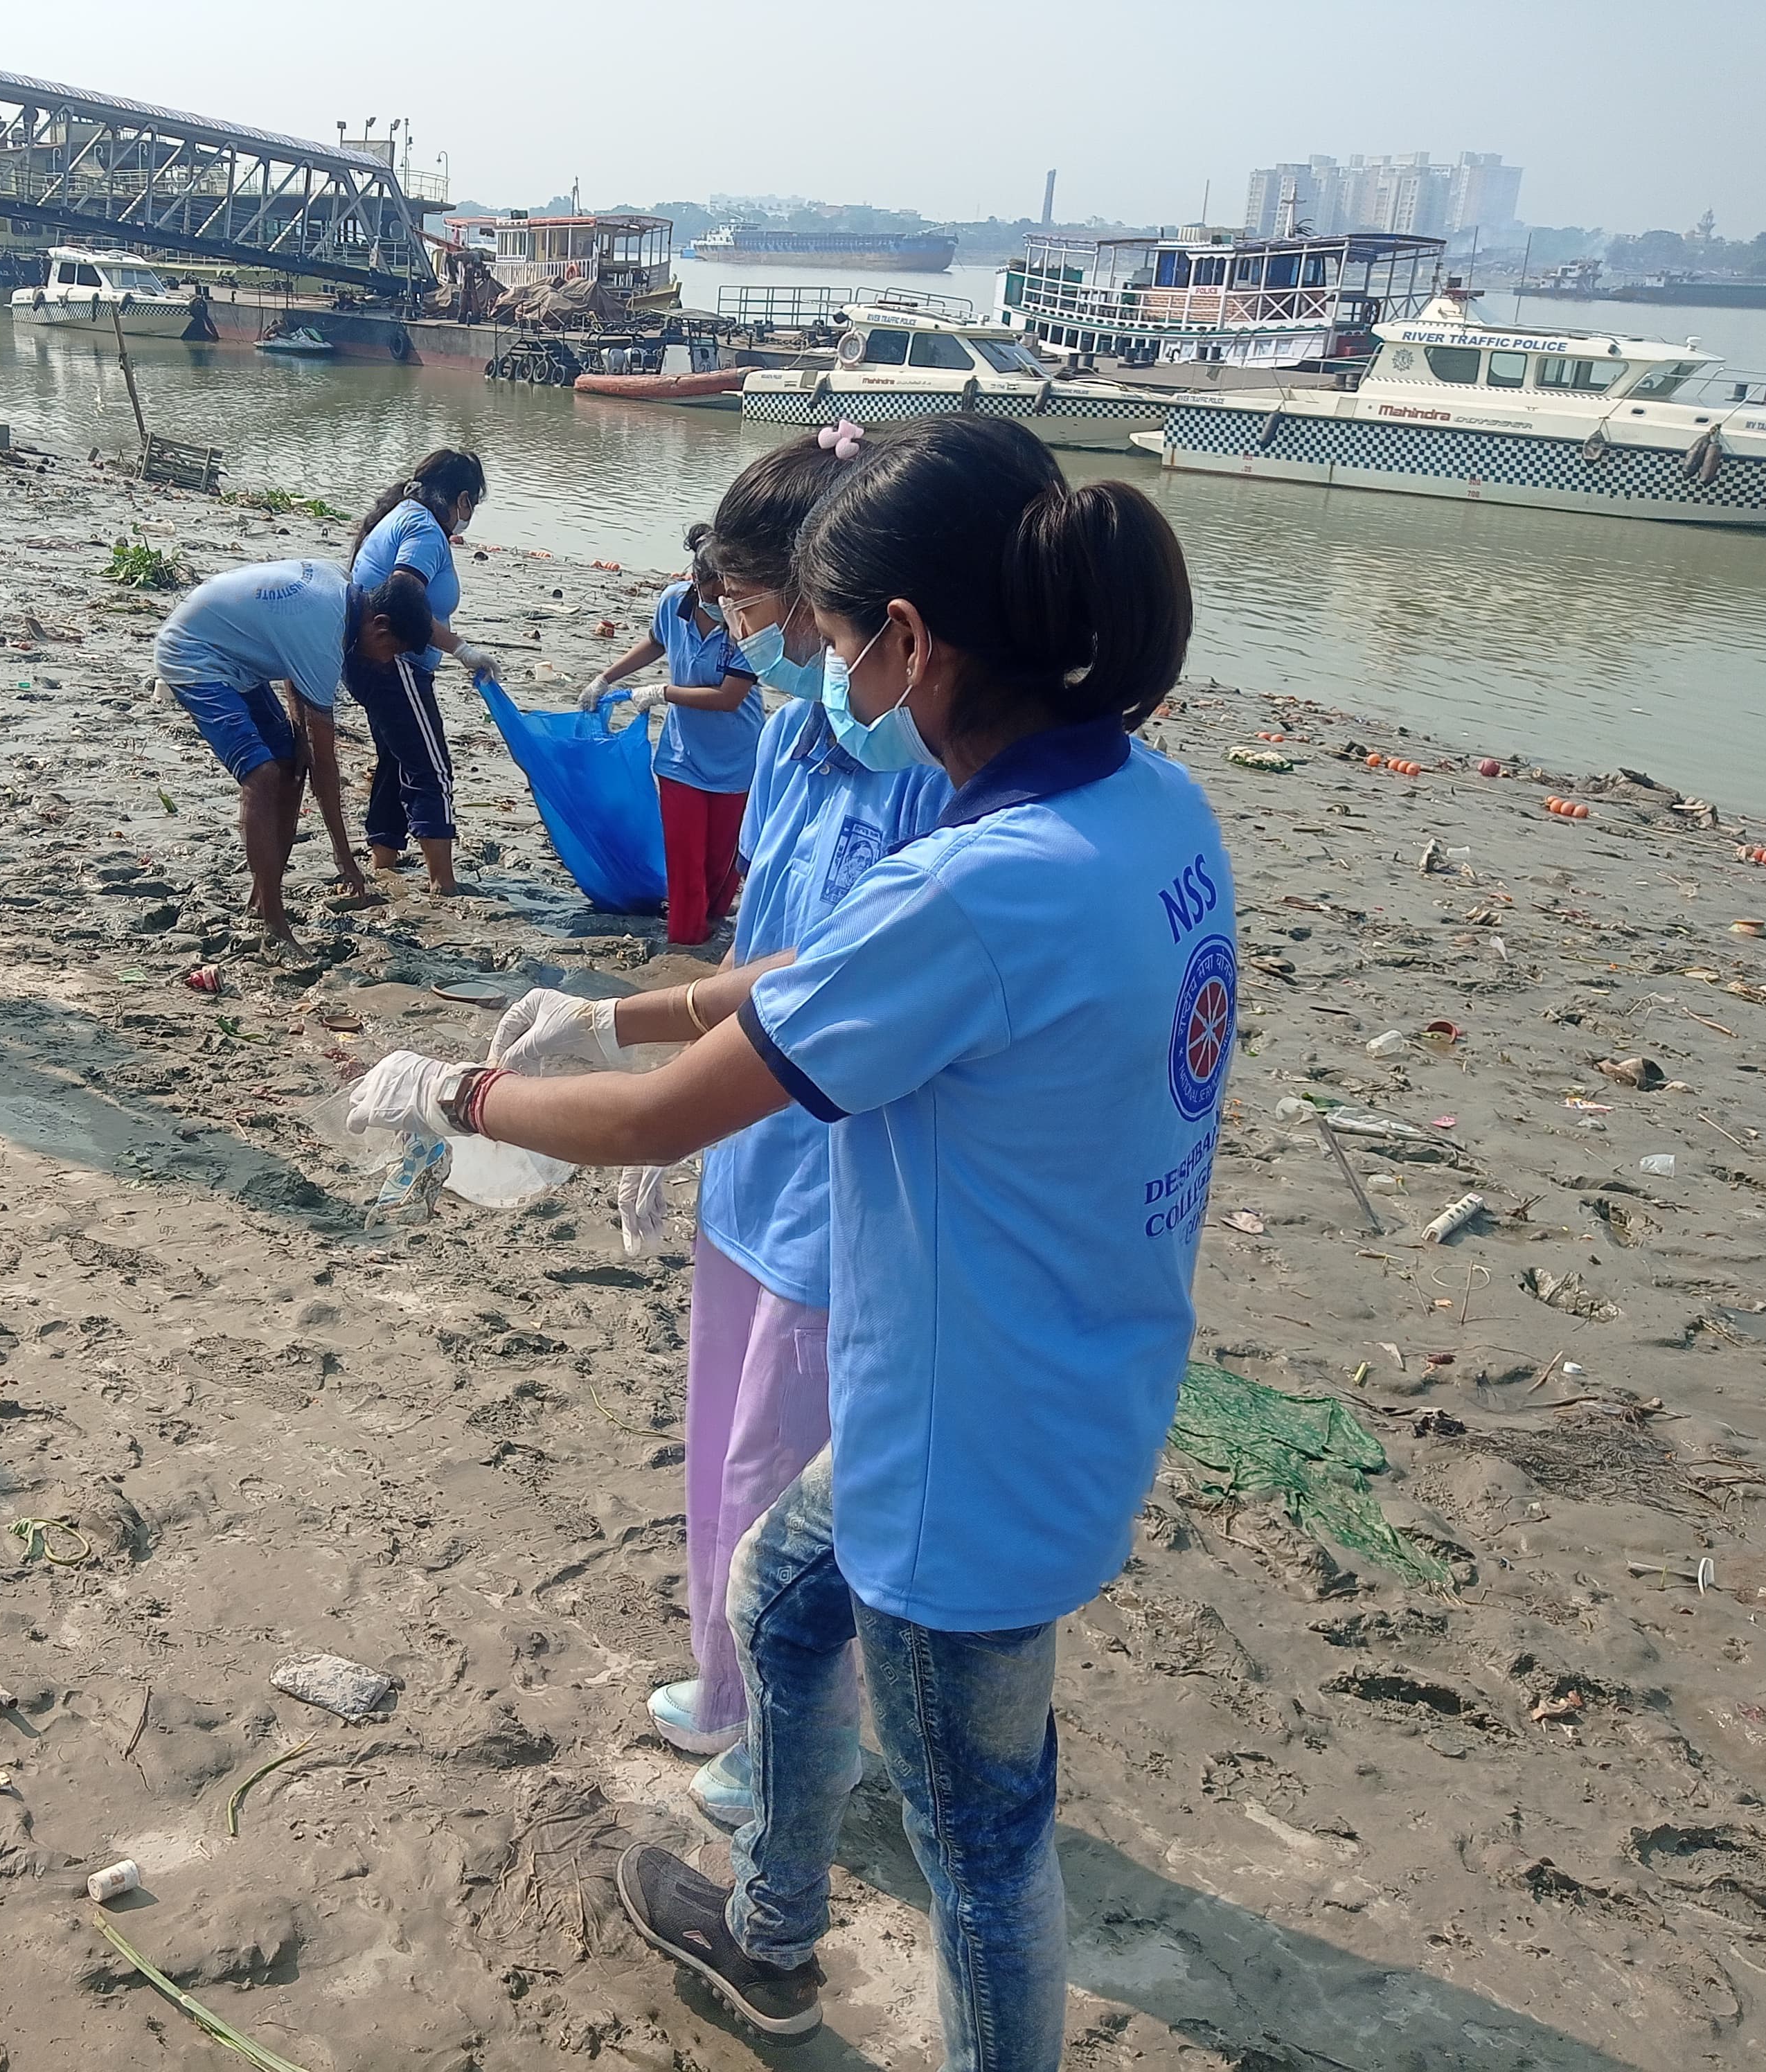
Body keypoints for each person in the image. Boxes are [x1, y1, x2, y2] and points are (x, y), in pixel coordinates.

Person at [350, 416, 1228, 2066]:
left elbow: (656, 1121)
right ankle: (769, 1923)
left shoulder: (978, 890)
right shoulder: (1142, 808)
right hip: (1061, 1372)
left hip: (966, 1441)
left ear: (904, 639)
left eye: (829, 635)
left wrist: (455, 1093)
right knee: (775, 1595)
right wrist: (614, 1005)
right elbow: (822, 975)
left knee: (982, 1842)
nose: (816, 667)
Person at [520, 431, 953, 1828]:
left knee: (787, 1450)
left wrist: (624, 1052)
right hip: (749, 1141)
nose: (749, 642)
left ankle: (798, 1736)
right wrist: (684, 1099)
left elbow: (830, 983)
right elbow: (756, 937)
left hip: (842, 1157)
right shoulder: (782, 739)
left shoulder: (929, 775)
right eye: (738, 619)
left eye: (768, 620)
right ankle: (727, 1676)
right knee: (717, 1431)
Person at [152, 558, 433, 945]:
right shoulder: (326, 635)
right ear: (380, 624)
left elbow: (291, 667)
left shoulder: (342, 591)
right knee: (262, 776)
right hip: (194, 654)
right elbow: (326, 766)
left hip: (239, 658)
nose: (386, 662)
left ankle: (260, 898)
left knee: (290, 764)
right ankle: (273, 921)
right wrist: (343, 854)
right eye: (392, 650)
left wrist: (299, 736)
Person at [585, 524, 764, 947]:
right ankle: (684, 941)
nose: (724, 602)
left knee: (721, 863)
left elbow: (728, 698)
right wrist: (606, 678)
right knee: (685, 862)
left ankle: (713, 924)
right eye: (715, 592)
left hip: (737, 758)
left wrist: (662, 692)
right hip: (681, 758)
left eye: (730, 592)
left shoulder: (749, 619)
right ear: (696, 581)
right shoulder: (673, 604)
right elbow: (654, 643)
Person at [345, 449, 496, 895]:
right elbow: (402, 599)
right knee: (431, 767)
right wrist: (461, 650)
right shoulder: (425, 531)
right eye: (471, 506)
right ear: (462, 500)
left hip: (371, 660)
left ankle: (384, 864)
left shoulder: (403, 515)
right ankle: (443, 882)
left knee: (396, 761)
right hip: (397, 662)